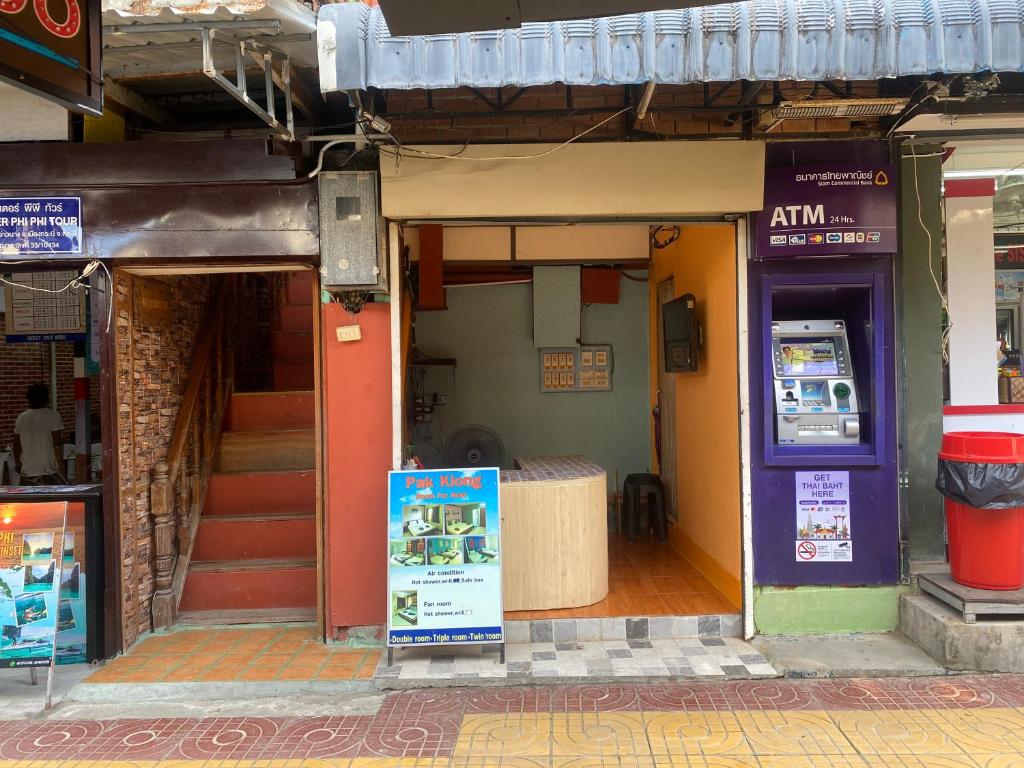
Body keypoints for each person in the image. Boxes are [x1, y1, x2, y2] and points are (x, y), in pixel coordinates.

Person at [13, 384, 65, 486]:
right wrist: (61, 470)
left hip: (27, 470)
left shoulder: (21, 417)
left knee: (29, 501)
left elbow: (16, 445)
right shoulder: (53, 416)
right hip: (49, 471)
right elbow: (57, 445)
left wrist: (18, 464)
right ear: (46, 398)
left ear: (29, 399)